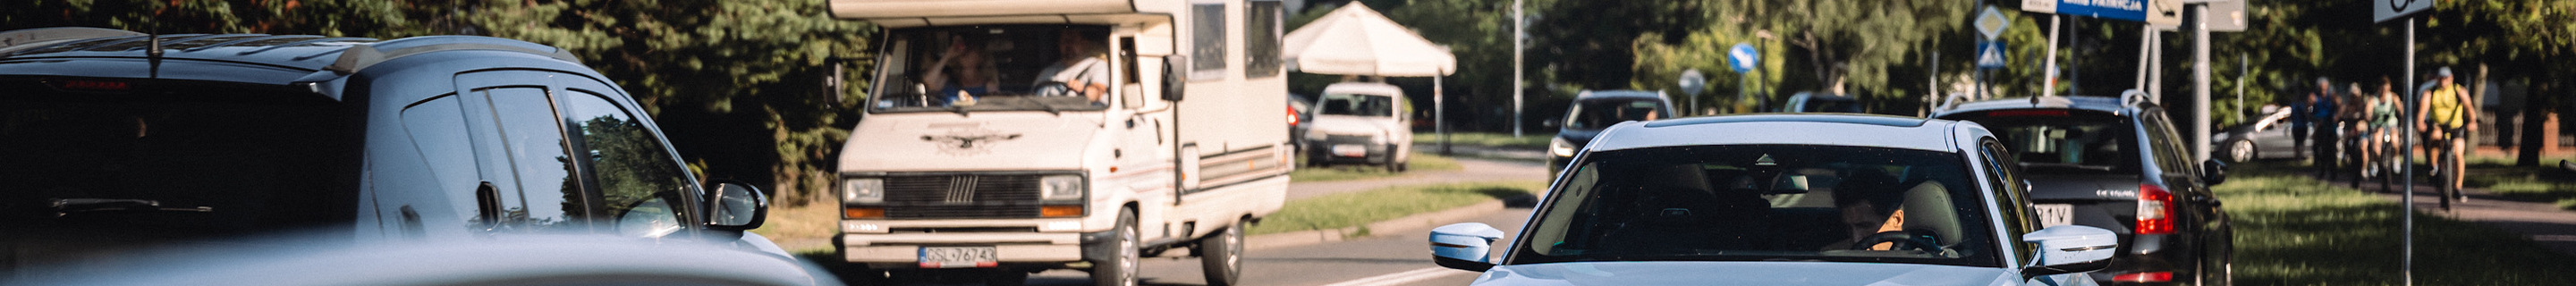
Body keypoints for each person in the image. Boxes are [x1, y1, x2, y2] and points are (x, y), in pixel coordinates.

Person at [2417, 67, 2478, 207]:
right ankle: (2433, 165)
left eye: (2446, 78)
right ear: (2437, 78)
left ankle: (2458, 187)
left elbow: (2469, 106)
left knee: (2459, 153)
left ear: (2451, 78)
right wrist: (2420, 122)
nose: (2443, 81)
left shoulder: (2458, 90)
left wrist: (2473, 121)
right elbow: (2423, 109)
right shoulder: (2430, 92)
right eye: (2440, 78)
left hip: (2456, 127)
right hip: (2438, 125)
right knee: (2435, 137)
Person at [1034, 29, 1111, 104]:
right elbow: (1033, 100)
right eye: (1065, 42)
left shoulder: (1097, 65)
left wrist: (1084, 90)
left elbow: (1098, 91)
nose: (1069, 45)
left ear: (1084, 44)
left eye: (1073, 41)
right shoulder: (1047, 72)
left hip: (1085, 115)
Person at [923, 38, 998, 106]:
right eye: (965, 50)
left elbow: (993, 110)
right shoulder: (948, 80)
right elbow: (929, 80)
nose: (966, 53)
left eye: (971, 49)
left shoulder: (989, 86)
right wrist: (948, 55)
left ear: (980, 56)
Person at [2308, 77, 2339, 178]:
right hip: (2319, 125)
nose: (2323, 90)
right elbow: (2308, 110)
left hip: (2330, 125)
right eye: (2321, 88)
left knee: (2332, 149)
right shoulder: (2315, 97)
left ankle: (2333, 172)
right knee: (2320, 149)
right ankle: (2321, 170)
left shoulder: (2332, 97)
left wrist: (2336, 116)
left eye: (2325, 88)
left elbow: (2340, 105)